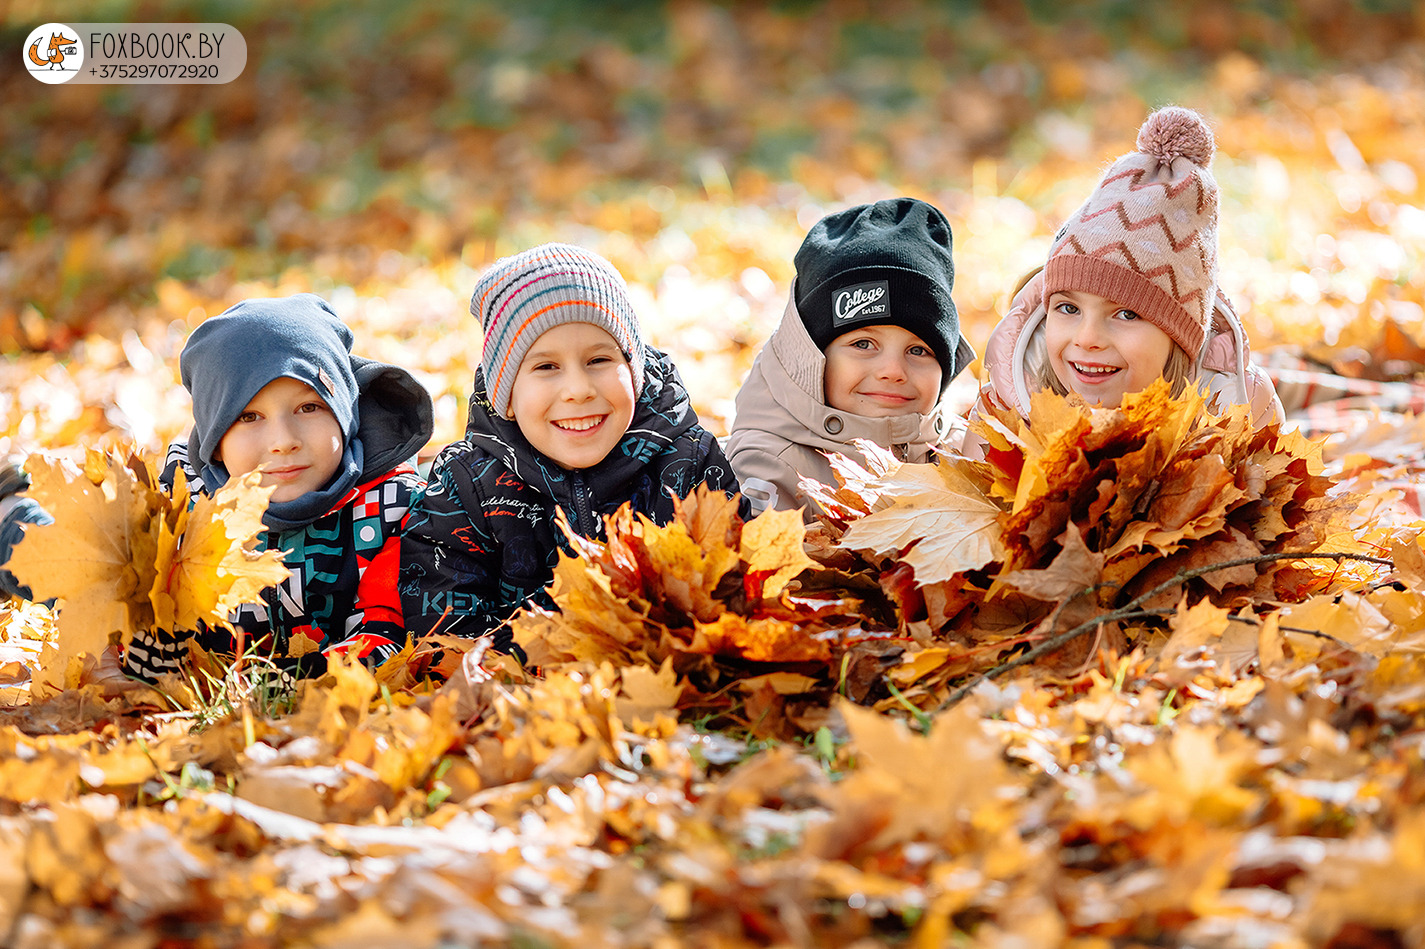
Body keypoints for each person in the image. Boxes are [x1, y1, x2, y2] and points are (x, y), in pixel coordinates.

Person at [399, 243, 744, 651]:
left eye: (599, 360)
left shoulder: (688, 461)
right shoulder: (468, 485)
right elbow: (444, 625)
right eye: (546, 367)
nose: (579, 390)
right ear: (506, 394)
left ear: (632, 370)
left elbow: (735, 586)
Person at [122, 293, 433, 680]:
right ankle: (21, 509)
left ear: (345, 412)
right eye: (250, 416)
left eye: (309, 407)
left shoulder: (395, 508)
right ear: (215, 441)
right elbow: (128, 612)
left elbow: (388, 635)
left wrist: (290, 680)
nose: (283, 440)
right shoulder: (179, 512)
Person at [965, 106, 1282, 456]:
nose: (1087, 339)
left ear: (1178, 336)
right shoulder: (1009, 399)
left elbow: (1273, 503)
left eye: (1126, 314)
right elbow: (965, 505)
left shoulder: (1238, 405)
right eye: (1068, 308)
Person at [726, 197, 976, 519]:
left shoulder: (965, 452)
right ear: (810, 356)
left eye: (918, 350)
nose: (893, 371)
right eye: (863, 344)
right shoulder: (768, 465)